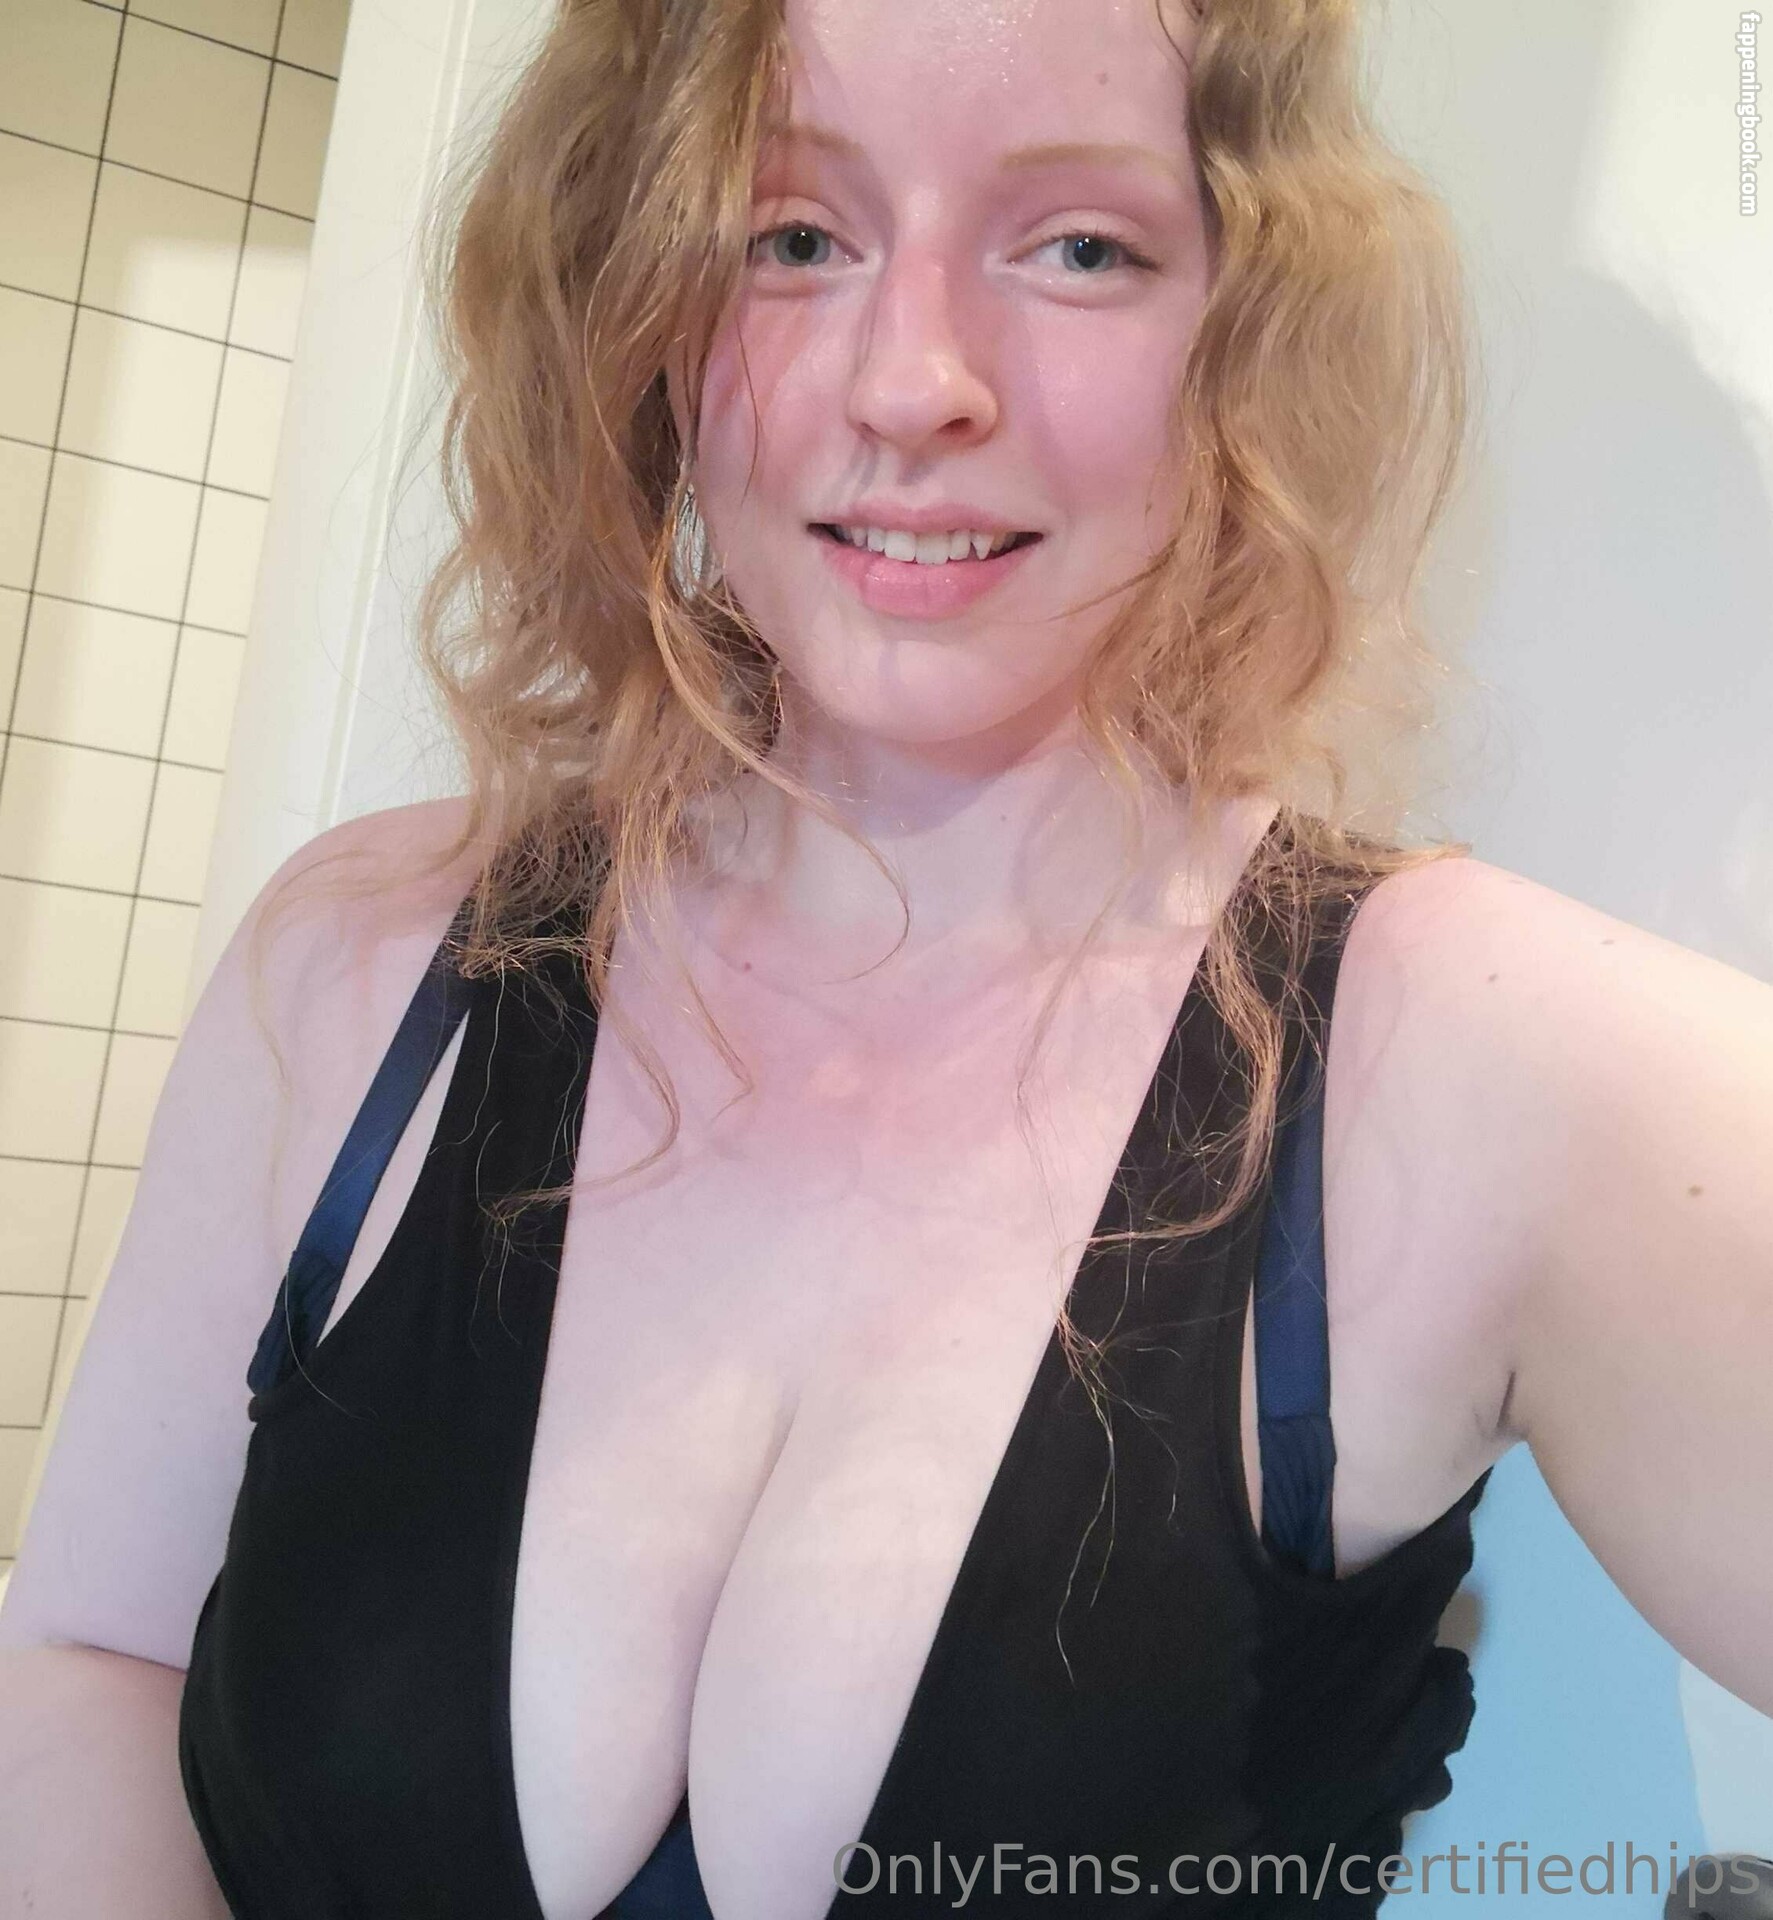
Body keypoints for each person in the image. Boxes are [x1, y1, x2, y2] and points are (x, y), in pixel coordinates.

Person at [2, 0, 1769, 1916]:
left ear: (1247, 324)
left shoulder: (1499, 1066)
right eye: (791, 236)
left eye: (1079, 247)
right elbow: (97, 1655)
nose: (914, 380)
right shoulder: (360, 962)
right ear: (632, 304)